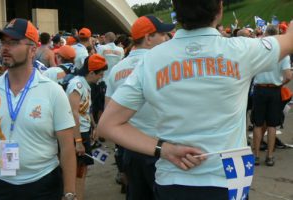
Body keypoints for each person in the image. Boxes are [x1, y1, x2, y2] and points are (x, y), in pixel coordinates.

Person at [97, 0, 293, 199]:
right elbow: (290, 39)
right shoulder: (241, 49)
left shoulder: (151, 60)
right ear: (219, 10)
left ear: (177, 13)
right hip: (229, 175)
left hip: (173, 177)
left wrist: (162, 149)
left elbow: (107, 125)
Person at [0, 18, 77, 200]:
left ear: (33, 49)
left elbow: (67, 148)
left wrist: (69, 193)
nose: (5, 48)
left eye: (13, 42)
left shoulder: (52, 91)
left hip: (42, 185)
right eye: (3, 42)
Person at [105, 15, 175, 199]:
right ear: (148, 38)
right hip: (161, 147)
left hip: (131, 148)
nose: (166, 38)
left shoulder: (117, 69)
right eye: (162, 34)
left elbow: (108, 111)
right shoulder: (165, 64)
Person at [66, 54, 108, 200]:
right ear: (91, 72)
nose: (101, 78)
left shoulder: (86, 85)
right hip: (76, 134)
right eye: (100, 74)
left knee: (82, 169)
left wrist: (94, 126)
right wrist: (78, 141)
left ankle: (79, 195)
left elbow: (85, 110)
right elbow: (73, 113)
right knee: (78, 169)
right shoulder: (76, 85)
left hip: (83, 132)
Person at [252, 25, 293, 166]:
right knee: (272, 125)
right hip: (274, 90)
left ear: (265, 34)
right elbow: (288, 75)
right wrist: (280, 83)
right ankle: (269, 157)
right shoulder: (283, 52)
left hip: (259, 89)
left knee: (257, 124)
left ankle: (255, 156)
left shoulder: (257, 50)